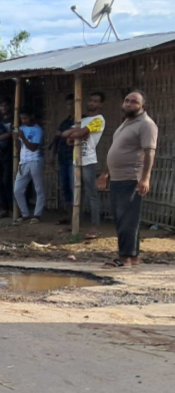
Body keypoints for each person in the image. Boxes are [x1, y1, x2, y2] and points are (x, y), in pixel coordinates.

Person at [101, 89, 158, 268]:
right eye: (127, 100)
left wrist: (145, 178)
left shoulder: (146, 125)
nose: (128, 104)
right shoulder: (126, 123)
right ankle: (132, 258)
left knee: (127, 220)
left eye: (134, 101)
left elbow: (150, 152)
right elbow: (116, 150)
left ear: (143, 106)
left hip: (132, 178)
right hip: (118, 179)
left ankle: (124, 258)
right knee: (122, 219)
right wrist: (105, 173)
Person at [61, 91, 106, 238]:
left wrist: (76, 133)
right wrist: (78, 133)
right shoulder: (83, 120)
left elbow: (77, 135)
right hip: (77, 160)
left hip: (88, 160)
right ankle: (75, 223)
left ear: (100, 104)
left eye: (95, 101)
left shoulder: (99, 119)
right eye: (90, 100)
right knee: (77, 193)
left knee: (91, 194)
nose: (91, 103)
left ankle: (95, 226)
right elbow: (66, 137)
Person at [12, 108, 45, 224]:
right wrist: (16, 139)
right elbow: (19, 148)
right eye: (21, 118)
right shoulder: (22, 128)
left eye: (25, 118)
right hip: (23, 162)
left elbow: (33, 147)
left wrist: (23, 137)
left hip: (35, 160)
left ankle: (37, 215)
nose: (23, 120)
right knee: (17, 190)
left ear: (31, 116)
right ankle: (25, 214)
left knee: (39, 189)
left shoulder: (38, 130)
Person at [53, 95, 77, 223]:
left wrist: (65, 134)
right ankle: (69, 216)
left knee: (75, 187)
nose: (70, 107)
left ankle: (76, 217)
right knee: (65, 187)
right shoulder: (65, 122)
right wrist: (52, 156)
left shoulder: (81, 120)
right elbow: (56, 140)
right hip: (62, 158)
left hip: (74, 159)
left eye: (73, 103)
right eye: (68, 104)